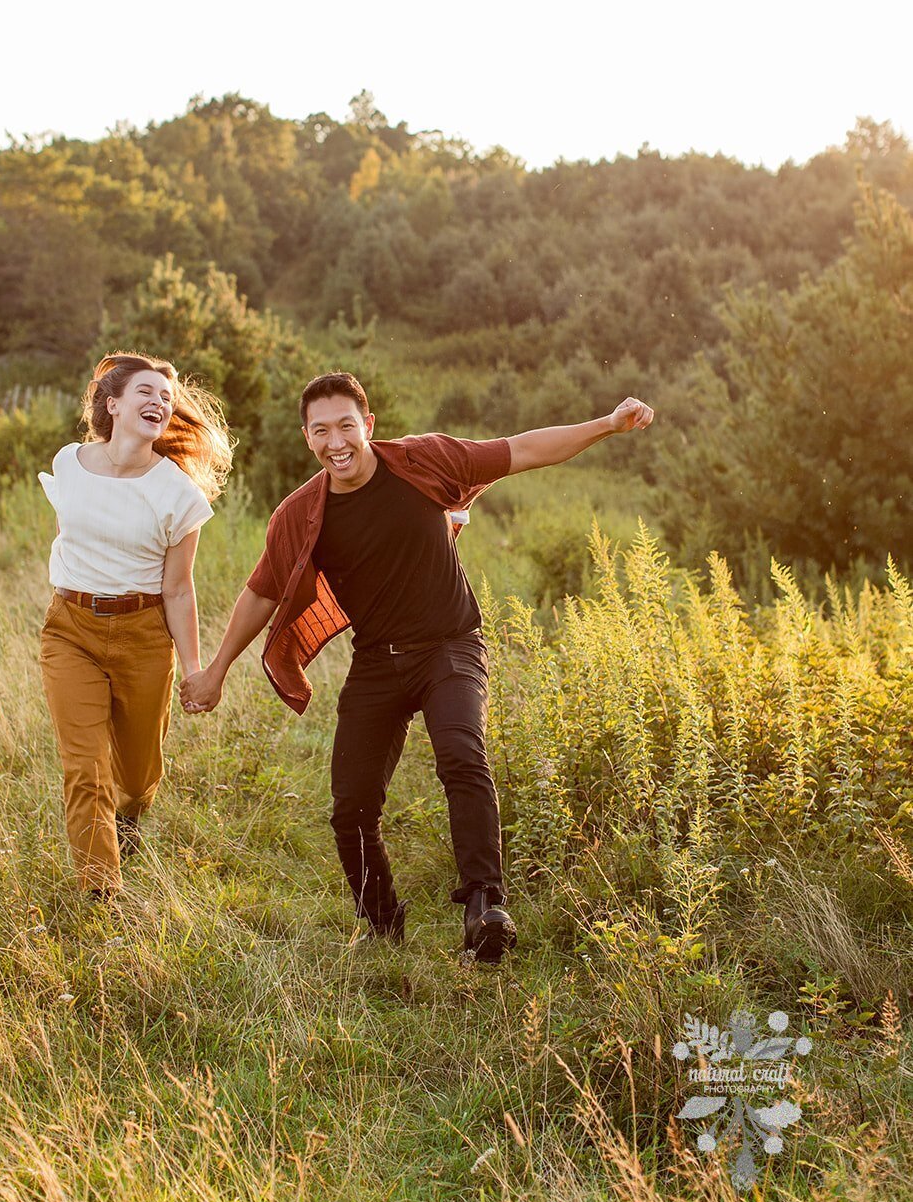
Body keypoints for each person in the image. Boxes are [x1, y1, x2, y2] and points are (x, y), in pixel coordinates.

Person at [178, 372, 653, 961]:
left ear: (368, 426)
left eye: (346, 426)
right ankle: (382, 928)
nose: (336, 443)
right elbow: (261, 593)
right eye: (321, 431)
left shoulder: (424, 461)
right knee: (350, 807)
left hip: (449, 644)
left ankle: (485, 904)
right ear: (307, 438)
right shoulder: (301, 513)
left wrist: (607, 424)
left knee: (460, 752)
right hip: (378, 661)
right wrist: (215, 671)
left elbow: (523, 449)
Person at [38, 351, 232, 899]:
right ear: (112, 403)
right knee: (84, 766)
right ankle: (102, 891)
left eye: (167, 399)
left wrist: (195, 669)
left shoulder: (179, 494)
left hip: (144, 635)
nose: (160, 402)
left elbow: (177, 588)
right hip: (70, 628)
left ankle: (132, 813)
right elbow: (73, 535)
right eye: (146, 392)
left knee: (140, 770)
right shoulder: (70, 463)